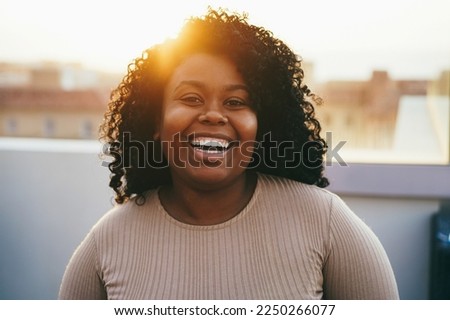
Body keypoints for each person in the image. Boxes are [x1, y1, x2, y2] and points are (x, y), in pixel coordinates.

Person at [59, 8, 399, 300]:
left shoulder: (325, 222)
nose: (214, 115)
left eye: (236, 102)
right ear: (155, 124)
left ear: (261, 126)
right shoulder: (107, 242)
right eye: (191, 98)